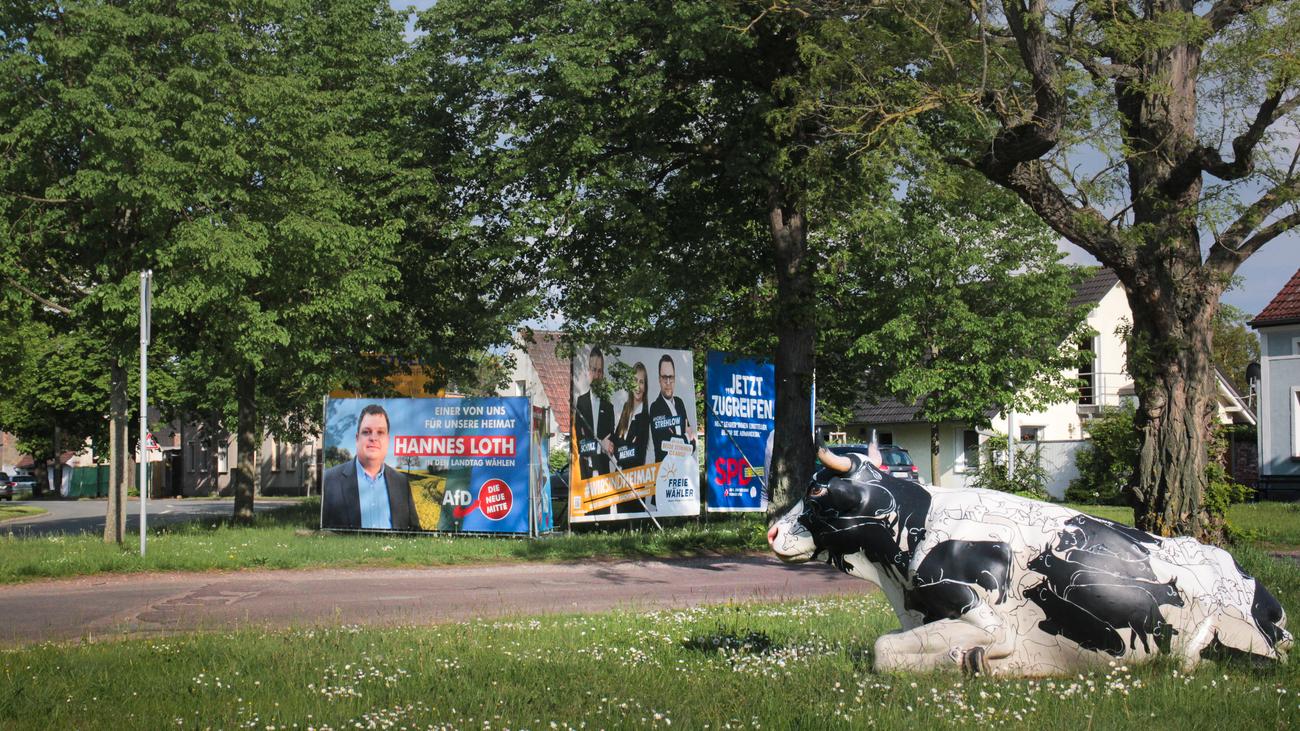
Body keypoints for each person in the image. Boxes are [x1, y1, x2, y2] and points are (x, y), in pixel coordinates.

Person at [322, 403, 419, 531]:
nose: (373, 438)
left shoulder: (401, 483)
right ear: (357, 439)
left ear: (387, 440)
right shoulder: (330, 479)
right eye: (366, 432)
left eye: (380, 432)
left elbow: (415, 532)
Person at [573, 347, 615, 479]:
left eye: (599, 371)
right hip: (586, 471)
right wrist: (600, 445)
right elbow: (580, 440)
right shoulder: (581, 403)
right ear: (588, 371)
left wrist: (609, 445)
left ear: (603, 374)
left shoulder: (608, 407)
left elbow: (611, 441)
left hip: (604, 472)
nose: (596, 375)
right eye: (593, 370)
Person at [650, 354, 695, 463]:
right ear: (659, 379)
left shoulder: (679, 403)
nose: (668, 382)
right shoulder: (655, 407)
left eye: (671, 377)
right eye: (664, 377)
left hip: (684, 467)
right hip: (665, 469)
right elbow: (665, 444)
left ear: (674, 378)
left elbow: (693, 445)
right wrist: (686, 437)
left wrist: (678, 439)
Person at [614, 362, 650, 469]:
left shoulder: (645, 416)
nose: (637, 386)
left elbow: (639, 454)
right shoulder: (626, 408)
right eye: (635, 380)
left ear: (645, 386)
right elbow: (616, 440)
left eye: (641, 382)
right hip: (619, 473)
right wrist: (625, 447)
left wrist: (621, 450)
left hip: (634, 474)